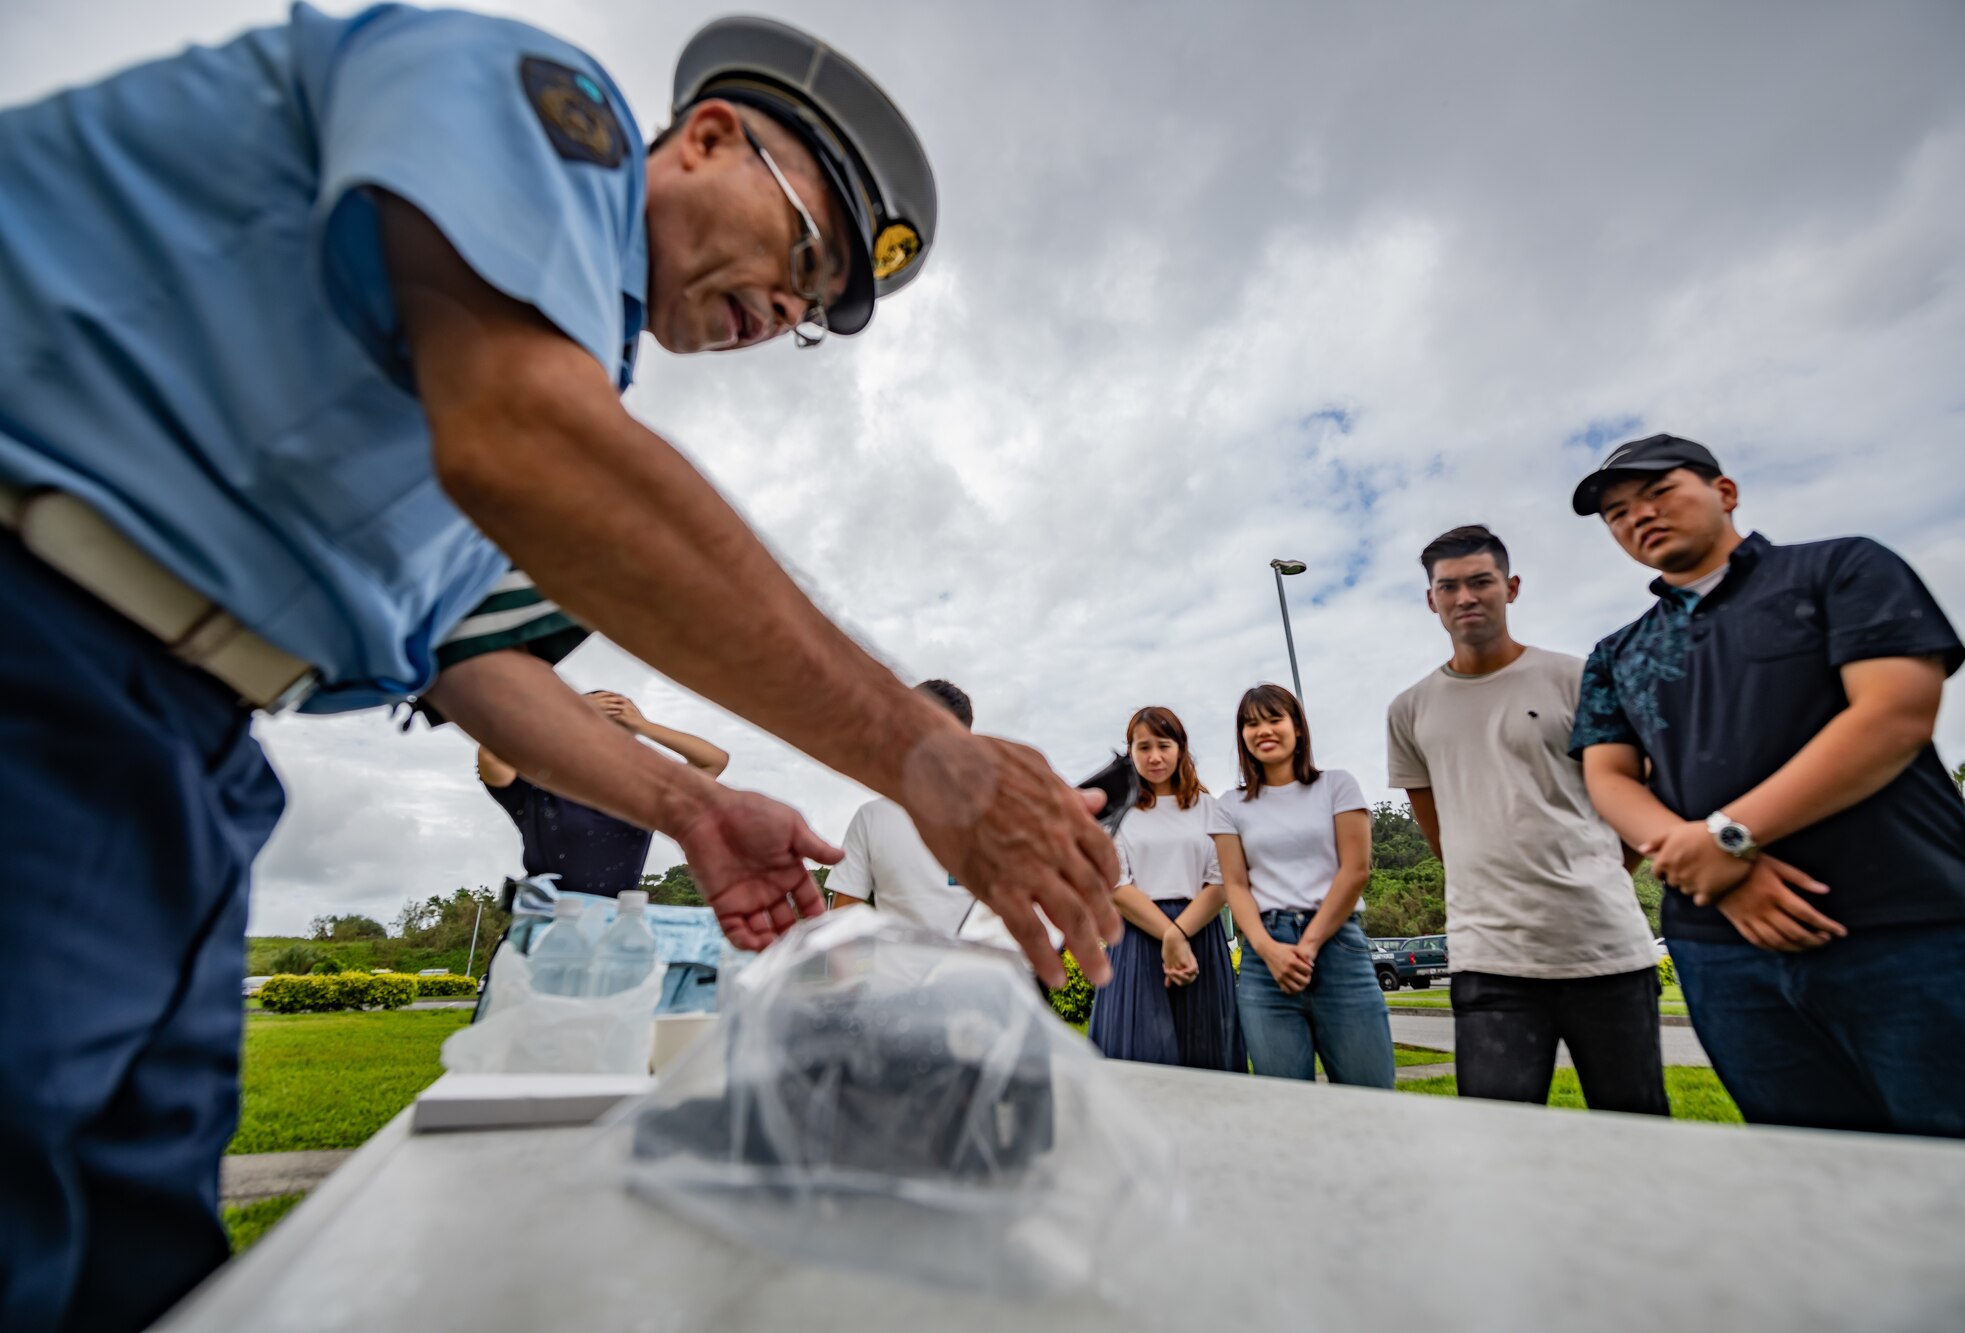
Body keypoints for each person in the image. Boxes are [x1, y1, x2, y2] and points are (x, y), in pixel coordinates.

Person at [0, 13, 1121, 1329]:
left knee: (127, 1250)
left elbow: (473, 659)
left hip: (178, 743)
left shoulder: (533, 372)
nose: (783, 317)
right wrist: (925, 752)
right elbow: (526, 440)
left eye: (813, 318)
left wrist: (688, 809)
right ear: (708, 138)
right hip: (41, 645)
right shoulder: (541, 119)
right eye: (804, 257)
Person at [1568, 433, 1965, 1140]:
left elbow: (1895, 713)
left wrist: (1728, 837)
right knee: (1814, 1174)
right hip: (1722, 946)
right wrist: (1717, 869)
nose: (1637, 516)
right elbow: (1608, 775)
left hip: (1904, 927)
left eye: (1658, 492)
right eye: (1616, 512)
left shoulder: (1840, 568)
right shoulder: (1618, 652)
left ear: (1725, 491)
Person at [1386, 525, 1666, 1113]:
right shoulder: (1409, 711)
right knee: (1496, 1145)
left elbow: (1636, 795)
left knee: (1638, 1135)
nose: (1466, 597)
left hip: (1604, 950)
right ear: (1430, 599)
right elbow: (1442, 837)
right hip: (1489, 959)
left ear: (1511, 588)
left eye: (1481, 582)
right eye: (1449, 587)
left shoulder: (1579, 677)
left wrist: (1599, 873)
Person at [1213, 685, 1396, 1087]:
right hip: (1266, 959)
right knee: (1285, 1105)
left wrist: (1308, 946)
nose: (1263, 730)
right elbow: (1236, 886)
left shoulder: (1337, 786)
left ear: (1297, 726)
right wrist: (1269, 951)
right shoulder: (1229, 806)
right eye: (1250, 723)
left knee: (1371, 1098)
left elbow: (1355, 871)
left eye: (1274, 719)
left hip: (1338, 948)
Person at [1087, 708, 1247, 1071]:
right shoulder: (1118, 812)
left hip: (1200, 937)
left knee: (1207, 1056)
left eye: (1163, 745)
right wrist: (1169, 936)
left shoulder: (1211, 809)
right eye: (1143, 747)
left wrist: (1180, 935)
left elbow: (1221, 881)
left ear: (1181, 749)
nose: (1154, 757)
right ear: (1130, 752)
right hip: (1135, 939)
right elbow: (1116, 885)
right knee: (1135, 1056)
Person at [480, 689, 730, 897]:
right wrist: (567, 712)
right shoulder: (538, 790)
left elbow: (713, 761)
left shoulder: (638, 798)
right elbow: (491, 754)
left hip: (615, 929)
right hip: (543, 924)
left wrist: (644, 726)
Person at [827, 681, 987, 936]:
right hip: (896, 976)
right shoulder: (871, 817)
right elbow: (841, 924)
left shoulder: (992, 820)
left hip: (984, 975)